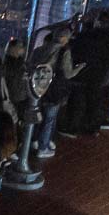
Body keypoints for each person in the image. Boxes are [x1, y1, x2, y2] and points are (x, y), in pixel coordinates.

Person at [31, 28, 80, 157]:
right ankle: (43, 147)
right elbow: (68, 73)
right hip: (55, 88)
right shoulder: (64, 51)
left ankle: (35, 140)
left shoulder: (42, 49)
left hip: (39, 87)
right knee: (50, 119)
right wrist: (79, 68)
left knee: (37, 115)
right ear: (64, 38)